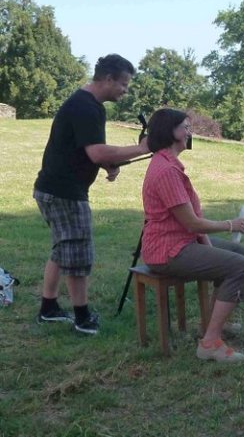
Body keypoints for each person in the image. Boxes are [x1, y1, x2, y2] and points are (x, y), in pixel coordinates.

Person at [34, 54, 150, 335]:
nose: (125, 90)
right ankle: (82, 318)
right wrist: (145, 147)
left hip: (51, 189)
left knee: (63, 249)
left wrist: (108, 164)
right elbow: (97, 151)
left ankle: (48, 309)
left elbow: (88, 151)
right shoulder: (88, 107)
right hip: (65, 193)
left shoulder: (85, 103)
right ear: (108, 79)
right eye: (123, 84)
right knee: (77, 253)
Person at [141, 108, 244, 362]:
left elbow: (191, 225)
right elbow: (192, 223)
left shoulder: (168, 163)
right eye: (185, 127)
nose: (189, 132)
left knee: (240, 253)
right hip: (167, 250)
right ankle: (209, 343)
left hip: (179, 241)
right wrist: (230, 224)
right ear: (172, 133)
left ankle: (212, 324)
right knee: (242, 268)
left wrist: (209, 243)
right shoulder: (166, 171)